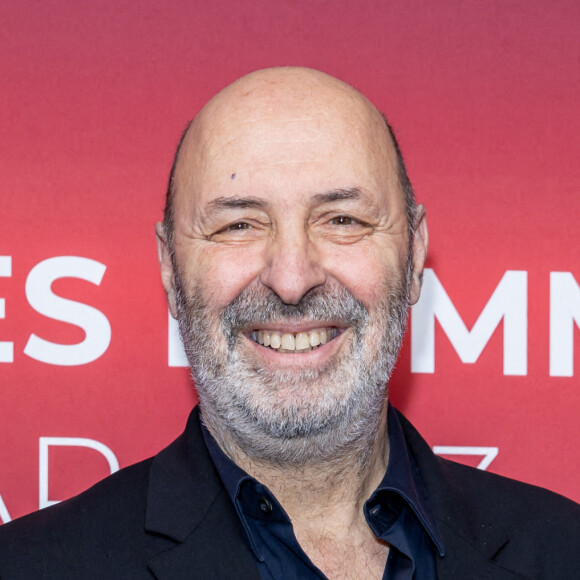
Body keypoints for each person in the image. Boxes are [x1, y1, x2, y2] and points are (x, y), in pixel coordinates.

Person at [0, 67, 578, 579]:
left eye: (342, 219)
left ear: (415, 252)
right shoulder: (32, 565)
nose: (292, 277)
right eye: (239, 225)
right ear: (171, 271)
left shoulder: (562, 550)